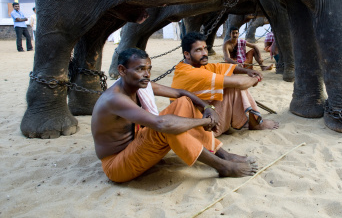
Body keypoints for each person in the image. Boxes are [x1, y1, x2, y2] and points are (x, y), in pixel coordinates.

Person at [91, 48, 258, 183]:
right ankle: (223, 167)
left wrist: (207, 106)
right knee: (166, 128)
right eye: (140, 69)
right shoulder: (115, 99)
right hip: (117, 165)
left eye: (148, 69)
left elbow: (180, 93)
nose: (147, 74)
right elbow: (161, 124)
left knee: (184, 102)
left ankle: (223, 154)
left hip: (137, 144)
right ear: (122, 70)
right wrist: (203, 121)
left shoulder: (139, 85)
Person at [173, 32, 279, 137]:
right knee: (235, 85)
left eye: (205, 48)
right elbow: (240, 83)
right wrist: (255, 79)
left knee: (231, 81)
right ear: (187, 54)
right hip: (199, 129)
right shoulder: (193, 73)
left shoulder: (193, 65)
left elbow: (224, 67)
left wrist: (247, 72)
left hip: (203, 116)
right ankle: (255, 124)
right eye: (198, 50)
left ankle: (244, 121)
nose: (204, 53)